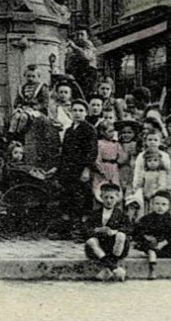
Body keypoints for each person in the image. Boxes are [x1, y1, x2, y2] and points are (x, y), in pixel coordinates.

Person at [56, 100, 98, 237]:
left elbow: (92, 151)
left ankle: (80, 229)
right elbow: (65, 152)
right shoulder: (69, 131)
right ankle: (67, 229)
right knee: (68, 198)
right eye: (75, 110)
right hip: (68, 170)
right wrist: (59, 169)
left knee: (80, 198)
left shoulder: (89, 129)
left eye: (81, 110)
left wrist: (86, 169)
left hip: (80, 170)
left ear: (86, 113)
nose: (78, 113)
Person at [132, 190, 171, 280]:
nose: (160, 207)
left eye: (163, 204)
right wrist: (147, 238)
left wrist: (164, 242)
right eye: (157, 204)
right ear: (152, 205)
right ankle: (152, 269)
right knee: (150, 249)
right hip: (154, 246)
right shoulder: (146, 219)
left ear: (168, 206)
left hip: (167, 246)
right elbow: (138, 233)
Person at [84, 182, 130, 281]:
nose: (109, 201)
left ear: (117, 198)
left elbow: (128, 229)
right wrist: (97, 230)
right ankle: (115, 268)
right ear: (101, 197)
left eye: (112, 198)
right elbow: (85, 229)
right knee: (91, 241)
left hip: (115, 246)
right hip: (100, 246)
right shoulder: (95, 214)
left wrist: (114, 231)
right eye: (106, 197)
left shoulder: (121, 214)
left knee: (121, 235)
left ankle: (108, 269)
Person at [131, 130, 171, 212]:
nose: (152, 142)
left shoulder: (164, 155)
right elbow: (138, 171)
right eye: (150, 140)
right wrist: (136, 186)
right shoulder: (141, 155)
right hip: (145, 186)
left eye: (155, 140)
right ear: (145, 141)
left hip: (158, 188)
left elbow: (168, 170)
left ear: (160, 142)